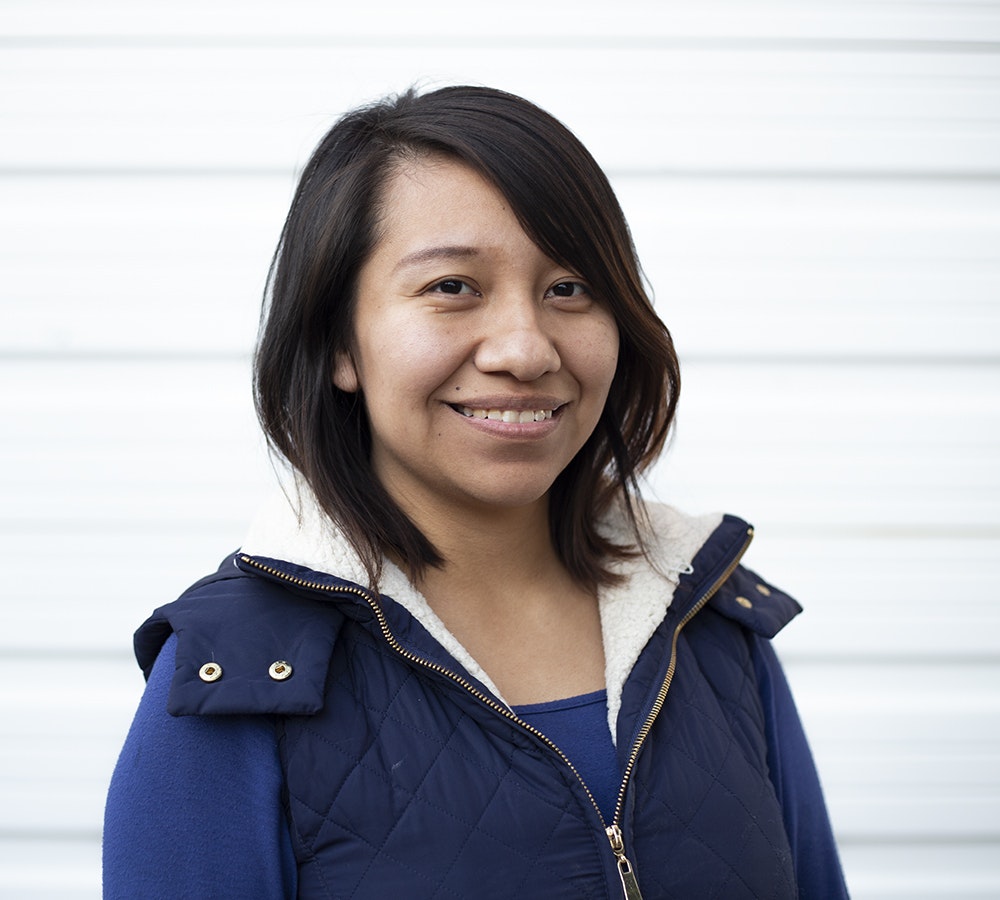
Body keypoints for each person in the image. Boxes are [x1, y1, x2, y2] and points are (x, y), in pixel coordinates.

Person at [103, 85, 849, 899]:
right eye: (453, 287)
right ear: (339, 343)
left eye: (569, 288)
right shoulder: (238, 679)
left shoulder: (706, 620)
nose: (526, 351)